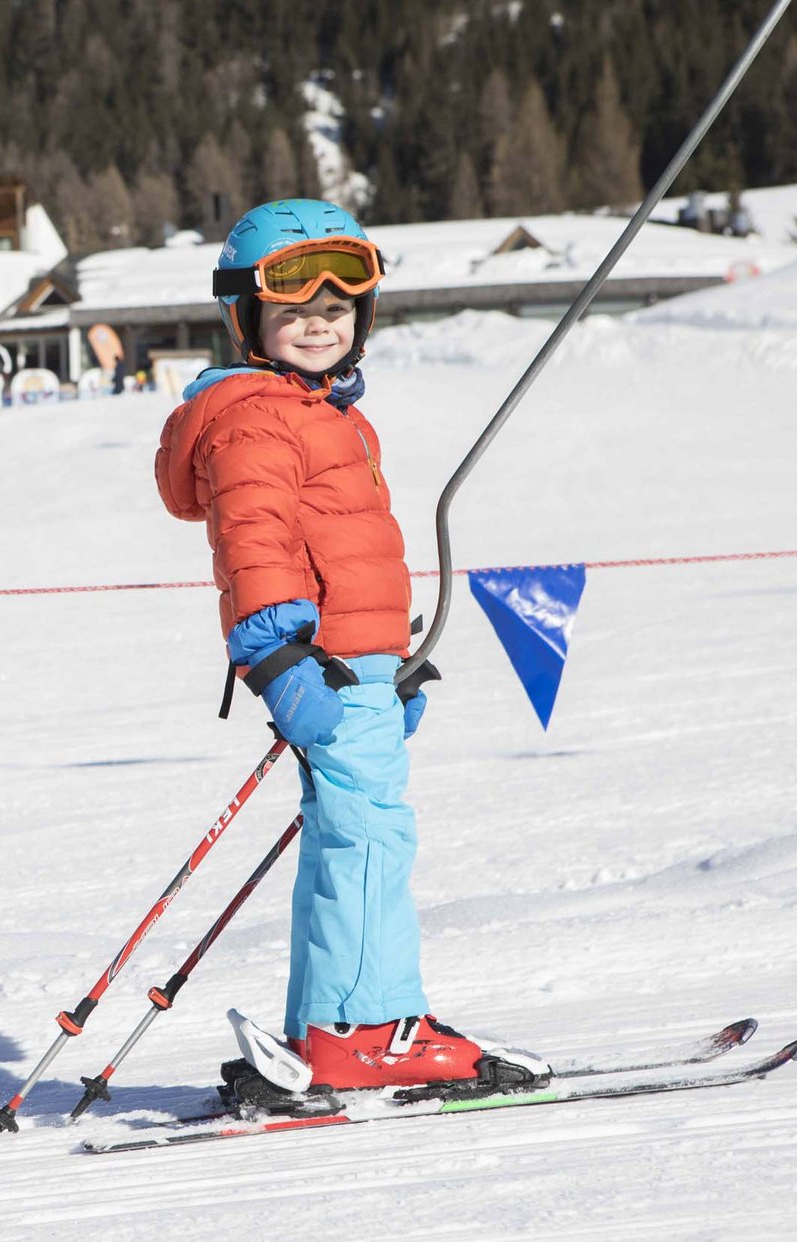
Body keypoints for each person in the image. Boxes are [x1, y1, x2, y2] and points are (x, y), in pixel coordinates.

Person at [153, 199, 549, 1108]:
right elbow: (253, 544)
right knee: (371, 836)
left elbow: (338, 550)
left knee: (350, 834)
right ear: (246, 319)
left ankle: (330, 1030)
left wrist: (388, 661)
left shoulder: (315, 413)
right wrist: (278, 659)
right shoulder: (259, 419)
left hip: (353, 664)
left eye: (337, 309)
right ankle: (370, 1031)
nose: (320, 323)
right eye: (294, 311)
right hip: (317, 666)